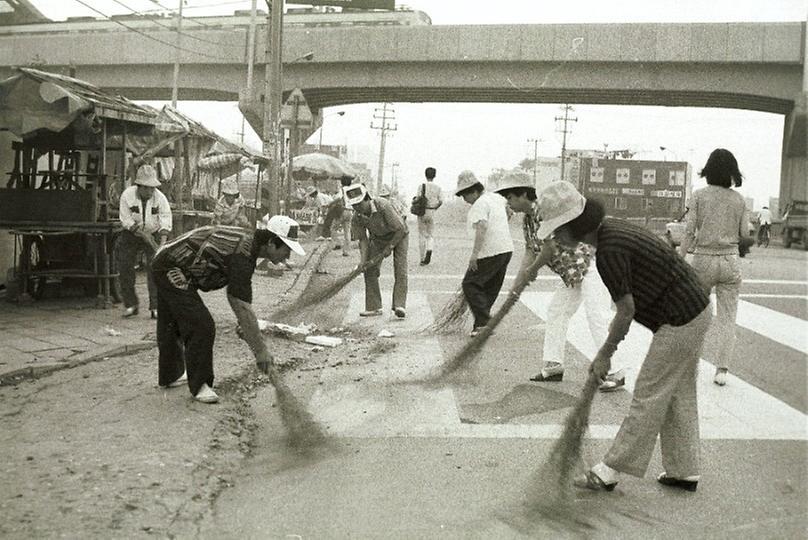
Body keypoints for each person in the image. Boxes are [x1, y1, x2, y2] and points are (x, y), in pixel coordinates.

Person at [533, 181, 711, 493]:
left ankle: (609, 470)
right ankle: (684, 470)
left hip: (681, 318)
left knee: (648, 392)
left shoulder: (609, 252)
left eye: (557, 229)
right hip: (695, 310)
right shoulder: (611, 231)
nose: (555, 237)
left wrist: (604, 354)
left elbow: (625, 310)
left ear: (575, 224)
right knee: (678, 393)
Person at [150, 216, 305, 403]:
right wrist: (261, 351)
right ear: (271, 243)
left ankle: (171, 375)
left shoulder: (249, 246)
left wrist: (247, 327)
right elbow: (240, 304)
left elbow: (240, 303)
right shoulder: (243, 254)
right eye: (286, 250)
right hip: (169, 266)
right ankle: (200, 385)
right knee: (201, 324)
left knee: (171, 321)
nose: (287, 257)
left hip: (167, 260)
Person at [495, 173, 625, 392]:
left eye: (510, 198)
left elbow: (549, 248)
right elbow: (530, 251)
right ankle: (553, 365)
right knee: (557, 312)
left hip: (592, 264)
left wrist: (532, 270)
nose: (509, 203)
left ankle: (616, 372)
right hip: (572, 273)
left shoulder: (546, 209)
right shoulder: (527, 220)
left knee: (596, 316)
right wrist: (519, 282)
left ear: (524, 195)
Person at [680, 148, 750, 386]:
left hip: (703, 259)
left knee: (696, 314)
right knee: (728, 318)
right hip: (730, 259)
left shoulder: (699, 196)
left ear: (708, 170)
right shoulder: (739, 200)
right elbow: (745, 233)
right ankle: (722, 370)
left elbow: (689, 232)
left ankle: (689, 364)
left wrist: (680, 257)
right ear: (732, 172)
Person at [455, 170, 513, 336]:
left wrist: (474, 254)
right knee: (490, 287)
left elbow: (482, 226)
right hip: (506, 249)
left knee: (470, 284)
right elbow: (510, 213)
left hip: (490, 252)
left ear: (473, 191)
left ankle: (484, 322)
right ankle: (481, 325)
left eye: (464, 195)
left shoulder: (480, 203)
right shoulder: (496, 198)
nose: (464, 200)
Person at [343, 183, 409, 318]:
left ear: (367, 198)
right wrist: (363, 262)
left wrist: (389, 248)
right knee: (369, 269)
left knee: (400, 269)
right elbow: (363, 240)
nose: (357, 208)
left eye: (359, 204)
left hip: (399, 234)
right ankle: (374, 306)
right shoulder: (357, 217)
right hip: (378, 238)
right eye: (354, 206)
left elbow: (400, 229)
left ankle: (399, 305)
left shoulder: (382, 205)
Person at [118, 164, 173, 319]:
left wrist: (161, 245)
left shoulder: (160, 198)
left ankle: (155, 307)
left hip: (154, 232)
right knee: (125, 265)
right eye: (147, 188)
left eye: (152, 188)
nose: (150, 191)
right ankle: (131, 304)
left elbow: (165, 219)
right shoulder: (127, 196)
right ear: (139, 186)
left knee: (154, 268)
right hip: (132, 233)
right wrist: (142, 234)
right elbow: (125, 219)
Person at [321, 176, 355, 256]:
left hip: (342, 211)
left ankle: (337, 243)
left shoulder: (342, 190)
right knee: (347, 231)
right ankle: (346, 251)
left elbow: (338, 198)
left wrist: (329, 204)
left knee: (333, 228)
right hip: (350, 211)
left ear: (342, 182)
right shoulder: (352, 191)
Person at [417, 167, 444, 266]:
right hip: (432, 212)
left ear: (425, 175)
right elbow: (441, 201)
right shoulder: (438, 188)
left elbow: (418, 199)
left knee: (422, 235)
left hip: (422, 212)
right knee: (430, 235)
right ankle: (429, 252)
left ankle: (422, 258)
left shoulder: (421, 186)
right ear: (434, 175)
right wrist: (435, 207)